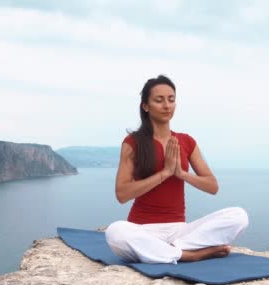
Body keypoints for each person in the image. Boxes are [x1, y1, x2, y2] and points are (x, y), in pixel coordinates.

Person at [105, 75, 249, 264]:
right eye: (159, 100)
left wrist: (181, 174)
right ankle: (191, 254)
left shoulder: (186, 141)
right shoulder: (133, 142)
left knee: (239, 216)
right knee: (115, 232)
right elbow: (122, 194)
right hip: (142, 229)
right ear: (145, 106)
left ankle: (169, 251)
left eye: (171, 99)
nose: (167, 105)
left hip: (179, 232)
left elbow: (212, 186)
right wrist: (164, 173)